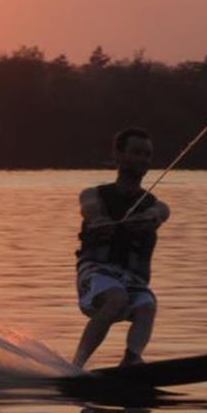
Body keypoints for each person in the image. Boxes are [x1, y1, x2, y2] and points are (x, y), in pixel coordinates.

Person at [72, 128, 170, 368]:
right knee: (117, 298)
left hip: (131, 278)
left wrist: (149, 219)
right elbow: (89, 207)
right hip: (96, 273)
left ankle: (131, 359)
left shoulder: (156, 205)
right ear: (118, 156)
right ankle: (75, 365)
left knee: (147, 305)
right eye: (136, 152)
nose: (143, 159)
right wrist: (97, 221)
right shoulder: (94, 194)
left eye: (147, 155)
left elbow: (160, 213)